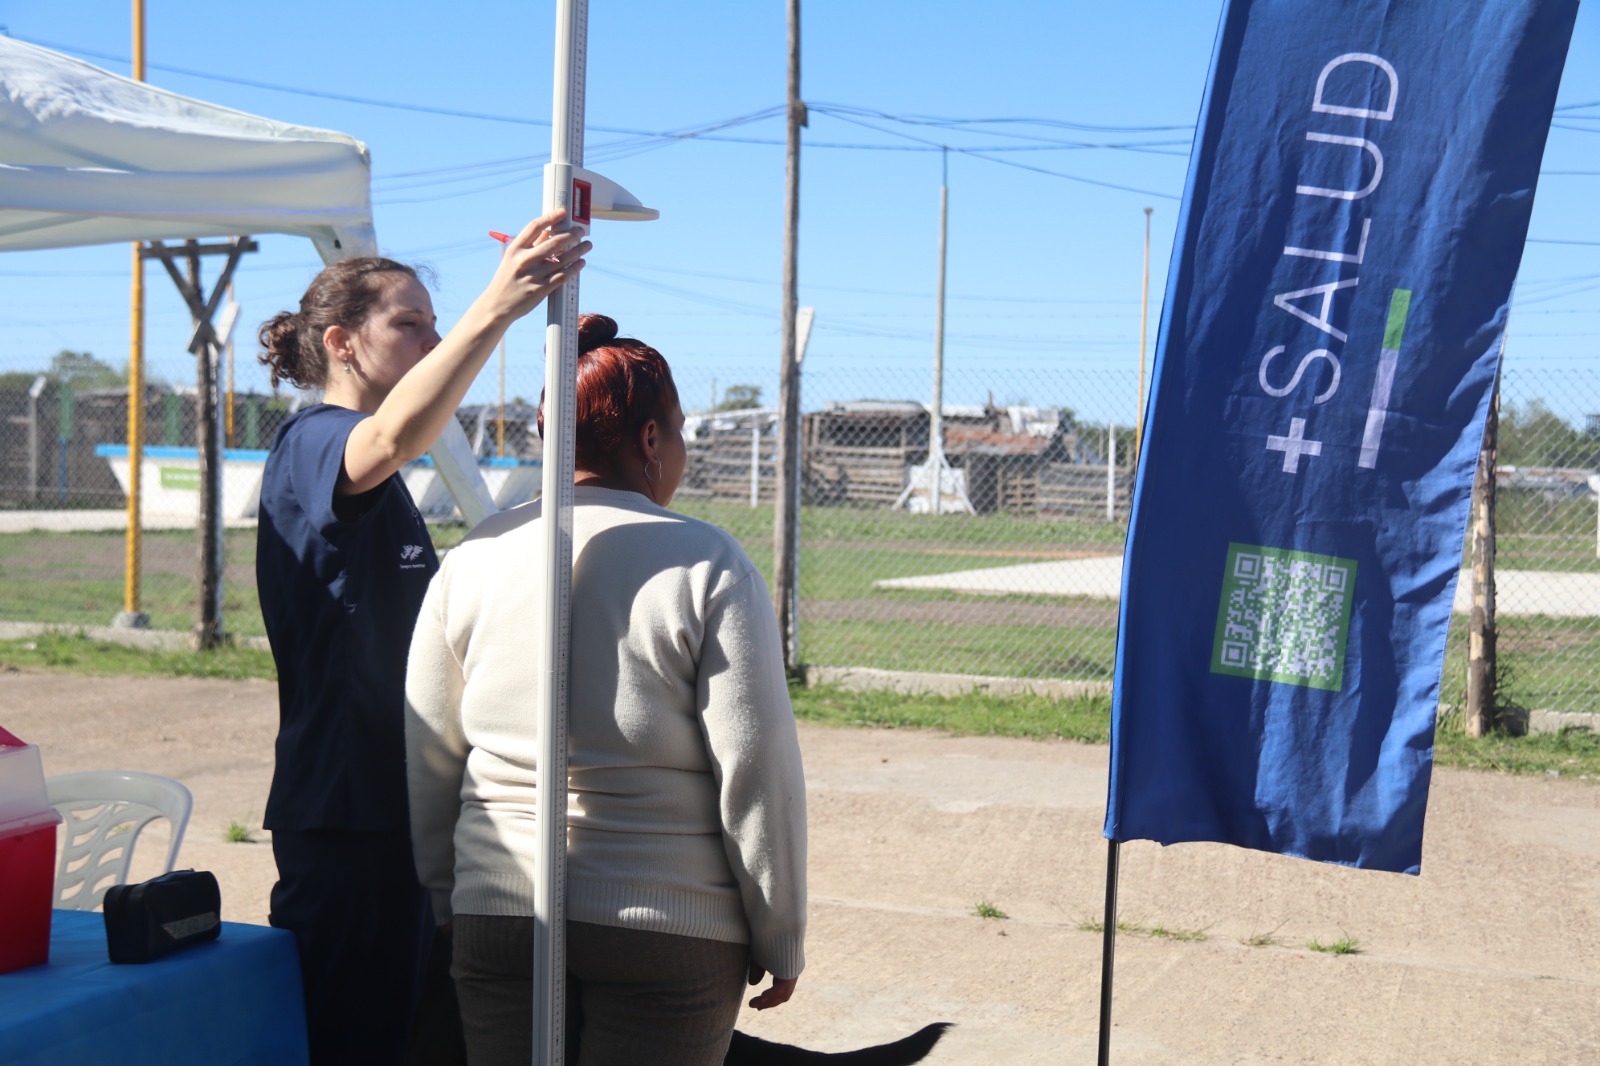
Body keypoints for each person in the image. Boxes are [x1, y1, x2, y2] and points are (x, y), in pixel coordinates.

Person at [404, 313, 807, 1066]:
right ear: (651, 440)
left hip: (498, 908)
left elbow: (430, 751)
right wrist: (779, 931)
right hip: (666, 925)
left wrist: (447, 896)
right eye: (679, 433)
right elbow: (758, 768)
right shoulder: (706, 562)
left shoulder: (474, 556)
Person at [254, 210, 589, 1066]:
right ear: (342, 343)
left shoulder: (380, 475)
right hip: (349, 812)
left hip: (398, 807)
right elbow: (395, 434)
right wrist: (497, 306)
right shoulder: (316, 441)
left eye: (434, 324)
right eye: (409, 324)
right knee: (351, 1040)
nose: (431, 340)